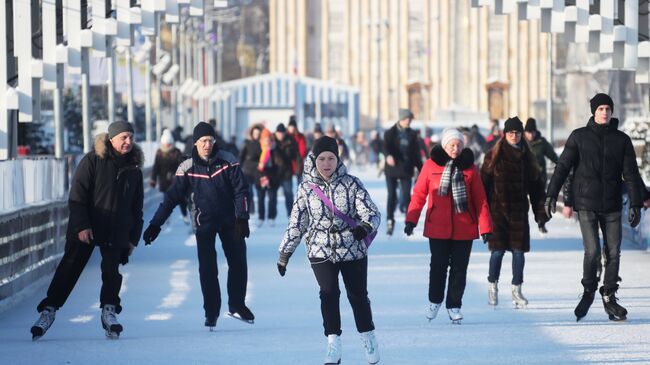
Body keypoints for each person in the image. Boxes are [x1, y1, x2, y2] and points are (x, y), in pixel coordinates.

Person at [30, 121, 144, 340]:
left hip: (116, 230)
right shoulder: (92, 161)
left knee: (111, 271)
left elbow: (136, 209)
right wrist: (82, 226)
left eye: (131, 137)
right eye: (124, 137)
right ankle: (49, 309)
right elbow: (77, 197)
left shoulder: (134, 170)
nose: (128, 141)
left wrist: (133, 238)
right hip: (87, 227)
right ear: (112, 139)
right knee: (70, 268)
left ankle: (109, 312)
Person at [277, 136, 381, 365]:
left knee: (358, 295)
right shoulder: (306, 189)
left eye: (331, 158)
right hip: (320, 249)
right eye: (322, 158)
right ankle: (333, 342)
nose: (327, 163)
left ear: (338, 159)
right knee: (329, 293)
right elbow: (297, 223)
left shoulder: (352, 184)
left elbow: (372, 212)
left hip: (353, 248)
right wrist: (284, 253)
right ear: (314, 160)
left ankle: (368, 335)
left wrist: (364, 227)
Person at [142, 121, 254, 328]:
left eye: (210, 140)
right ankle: (211, 311)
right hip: (204, 222)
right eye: (203, 141)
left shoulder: (228, 161)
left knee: (238, 261)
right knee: (208, 269)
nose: (207, 145)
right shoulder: (186, 167)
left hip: (231, 221)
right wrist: (155, 225)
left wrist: (242, 218)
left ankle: (237, 304)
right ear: (195, 143)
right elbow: (171, 198)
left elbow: (241, 191)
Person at [545, 93, 644, 322]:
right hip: (587, 203)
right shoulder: (579, 137)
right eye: (600, 108)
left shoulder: (622, 140)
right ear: (593, 111)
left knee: (613, 252)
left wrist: (636, 203)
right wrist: (551, 194)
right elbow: (563, 167)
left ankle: (609, 295)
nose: (605, 112)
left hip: (611, 204)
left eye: (608, 108)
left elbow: (631, 174)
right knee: (591, 251)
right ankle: (589, 290)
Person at [404, 128, 492, 324]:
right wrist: (411, 219)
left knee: (459, 269)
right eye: (452, 144)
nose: (456, 148)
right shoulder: (430, 166)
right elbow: (419, 194)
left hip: (464, 227)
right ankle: (435, 301)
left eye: (459, 144)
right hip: (437, 226)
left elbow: (480, 200)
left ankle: (454, 306)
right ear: (444, 146)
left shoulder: (470, 168)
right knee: (438, 266)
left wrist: (486, 227)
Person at [480, 117, 547, 309]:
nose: (514, 136)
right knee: (498, 252)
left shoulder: (528, 157)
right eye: (510, 132)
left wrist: (540, 214)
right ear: (504, 134)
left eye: (517, 132)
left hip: (518, 212)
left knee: (519, 253)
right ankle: (492, 286)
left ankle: (517, 290)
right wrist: (482, 216)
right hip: (497, 212)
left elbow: (536, 189)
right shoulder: (493, 156)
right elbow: (482, 187)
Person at [383, 109, 423, 236]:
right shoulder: (390, 132)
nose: (409, 121)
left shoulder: (412, 134)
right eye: (407, 119)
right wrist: (388, 155)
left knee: (407, 196)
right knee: (392, 195)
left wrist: (422, 169)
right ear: (401, 119)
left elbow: (416, 153)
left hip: (406, 169)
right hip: (392, 169)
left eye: (410, 119)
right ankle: (390, 219)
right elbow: (385, 147)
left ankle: (409, 221)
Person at [524, 117, 559, 234]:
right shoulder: (521, 143)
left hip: (539, 178)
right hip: (523, 177)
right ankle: (520, 224)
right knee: (521, 201)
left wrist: (561, 166)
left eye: (532, 132)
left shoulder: (542, 142)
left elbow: (553, 156)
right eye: (528, 133)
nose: (530, 135)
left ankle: (541, 223)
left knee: (540, 202)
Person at [150, 129, 189, 224]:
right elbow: (156, 167)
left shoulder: (177, 152)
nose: (167, 146)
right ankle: (165, 217)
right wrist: (153, 179)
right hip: (164, 181)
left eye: (169, 144)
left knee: (181, 200)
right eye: (165, 144)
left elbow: (182, 165)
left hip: (176, 180)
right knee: (167, 201)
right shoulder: (159, 153)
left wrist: (180, 175)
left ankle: (185, 215)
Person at [274, 123, 298, 217]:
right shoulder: (272, 141)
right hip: (275, 172)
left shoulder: (290, 140)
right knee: (273, 195)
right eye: (278, 133)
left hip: (286, 172)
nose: (280, 135)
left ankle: (291, 213)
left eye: (282, 133)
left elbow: (294, 155)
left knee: (288, 194)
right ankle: (272, 215)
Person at [239, 124, 263, 215]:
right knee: (249, 191)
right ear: (252, 133)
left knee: (261, 192)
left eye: (258, 133)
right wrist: (239, 167)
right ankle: (250, 209)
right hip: (248, 170)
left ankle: (261, 213)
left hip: (259, 171)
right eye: (255, 133)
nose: (256, 135)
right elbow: (241, 156)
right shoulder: (247, 143)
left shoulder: (262, 144)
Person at [287, 115, 308, 183]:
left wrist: (300, 157)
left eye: (293, 127)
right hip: (288, 163)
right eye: (290, 127)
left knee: (299, 182)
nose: (292, 129)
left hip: (297, 162)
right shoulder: (286, 136)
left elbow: (303, 150)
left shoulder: (299, 136)